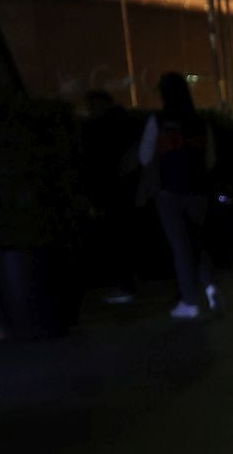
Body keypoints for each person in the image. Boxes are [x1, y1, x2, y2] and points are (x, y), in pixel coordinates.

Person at [138, 72, 221, 320]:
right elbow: (210, 160)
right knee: (197, 242)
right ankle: (211, 288)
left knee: (180, 246)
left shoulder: (158, 121)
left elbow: (144, 156)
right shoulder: (199, 122)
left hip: (168, 190)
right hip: (197, 189)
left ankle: (189, 301)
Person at [79, 90, 142, 304]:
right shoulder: (125, 124)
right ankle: (128, 283)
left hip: (113, 192)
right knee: (125, 238)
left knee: (117, 239)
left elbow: (96, 165)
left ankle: (126, 285)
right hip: (125, 190)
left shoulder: (100, 130)